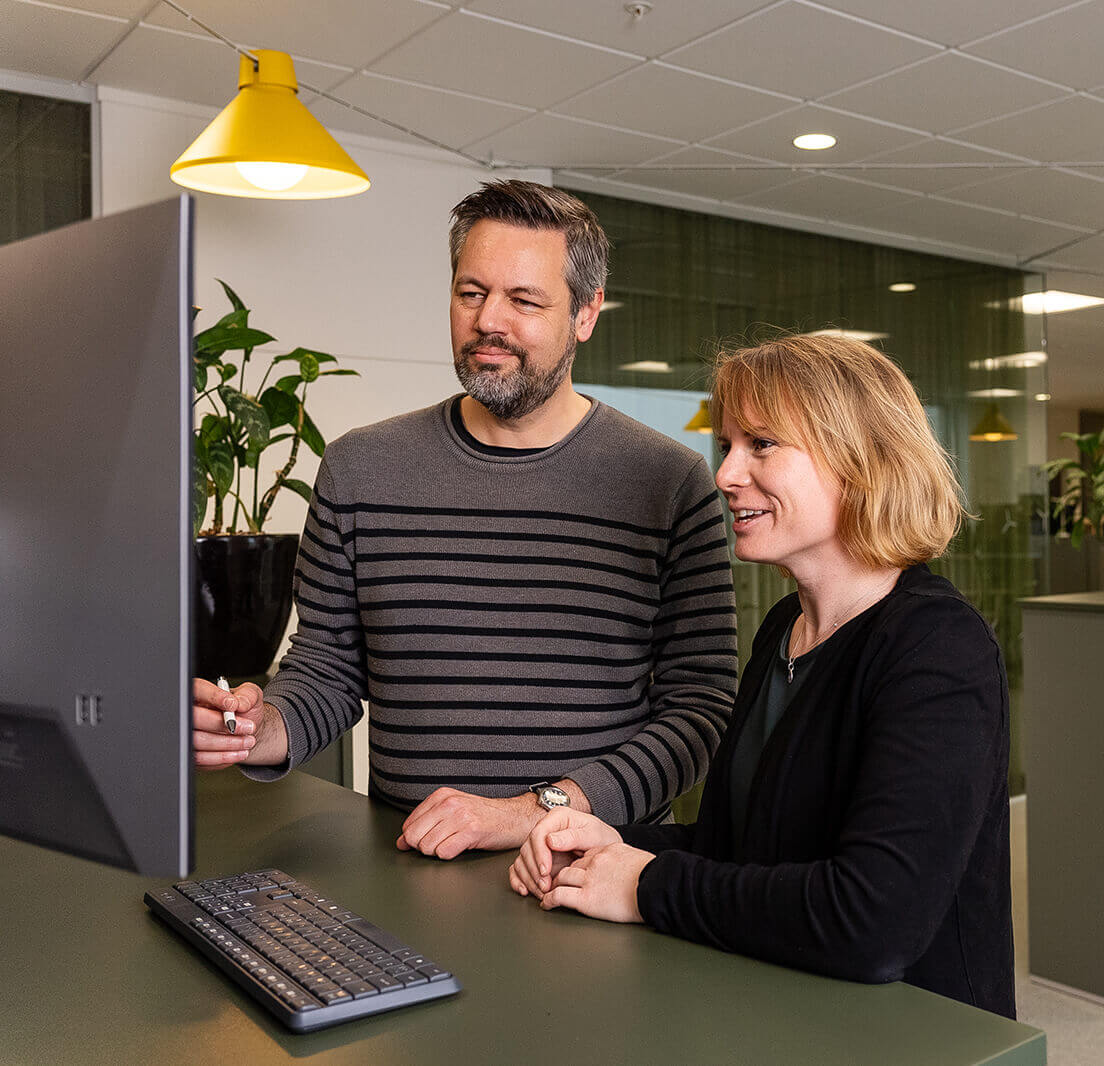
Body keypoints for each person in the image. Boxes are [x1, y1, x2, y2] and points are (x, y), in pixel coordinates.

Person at [190, 181, 739, 856]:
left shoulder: (669, 482)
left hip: (594, 872)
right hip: (410, 865)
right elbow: (328, 668)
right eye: (471, 293)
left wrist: (535, 810)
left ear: (587, 312)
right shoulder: (360, 468)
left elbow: (700, 710)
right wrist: (266, 726)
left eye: (524, 300)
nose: (488, 322)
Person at [508, 334, 1016, 1018]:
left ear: (858, 460)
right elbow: (736, 851)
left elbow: (874, 922)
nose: (725, 475)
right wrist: (608, 843)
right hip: (783, 1013)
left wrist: (647, 885)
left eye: (762, 444)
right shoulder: (786, 629)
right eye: (729, 445)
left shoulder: (938, 648)